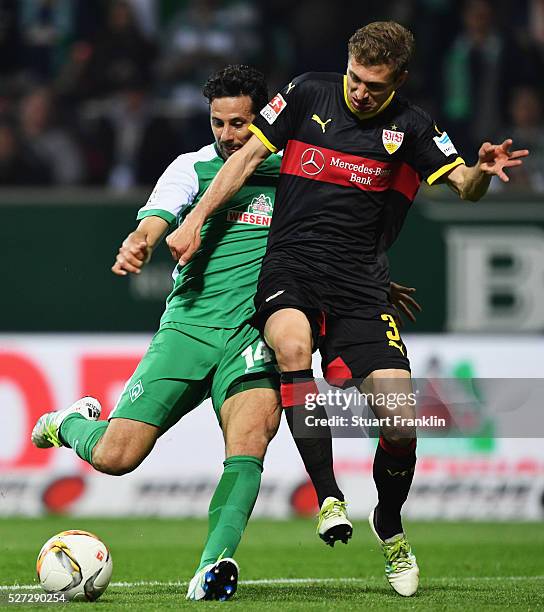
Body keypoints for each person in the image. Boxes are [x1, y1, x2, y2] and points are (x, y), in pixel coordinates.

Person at [165, 22, 529, 597]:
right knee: (290, 344)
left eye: (374, 86)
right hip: (292, 270)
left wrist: (481, 174)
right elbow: (238, 164)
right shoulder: (308, 92)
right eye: (355, 79)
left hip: (361, 286)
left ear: (399, 81)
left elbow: (461, 183)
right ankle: (328, 495)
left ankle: (389, 523)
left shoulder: (410, 125)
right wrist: (194, 219)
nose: (359, 93)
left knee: (401, 421)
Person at [31, 64, 282, 603]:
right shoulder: (192, 167)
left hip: (251, 335)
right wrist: (141, 241)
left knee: (251, 441)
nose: (227, 134)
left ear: (261, 117)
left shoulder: (293, 172)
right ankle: (70, 422)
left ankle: (212, 568)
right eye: (218, 122)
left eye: (239, 123)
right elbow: (156, 218)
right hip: (188, 328)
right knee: (117, 458)